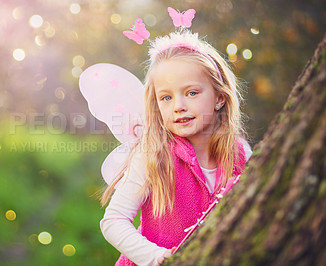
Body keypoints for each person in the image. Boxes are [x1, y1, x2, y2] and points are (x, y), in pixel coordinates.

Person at [99, 20, 252, 266]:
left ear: (220, 98)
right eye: (166, 97)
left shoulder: (241, 154)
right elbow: (113, 221)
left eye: (191, 93)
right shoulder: (152, 154)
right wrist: (155, 257)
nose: (178, 106)